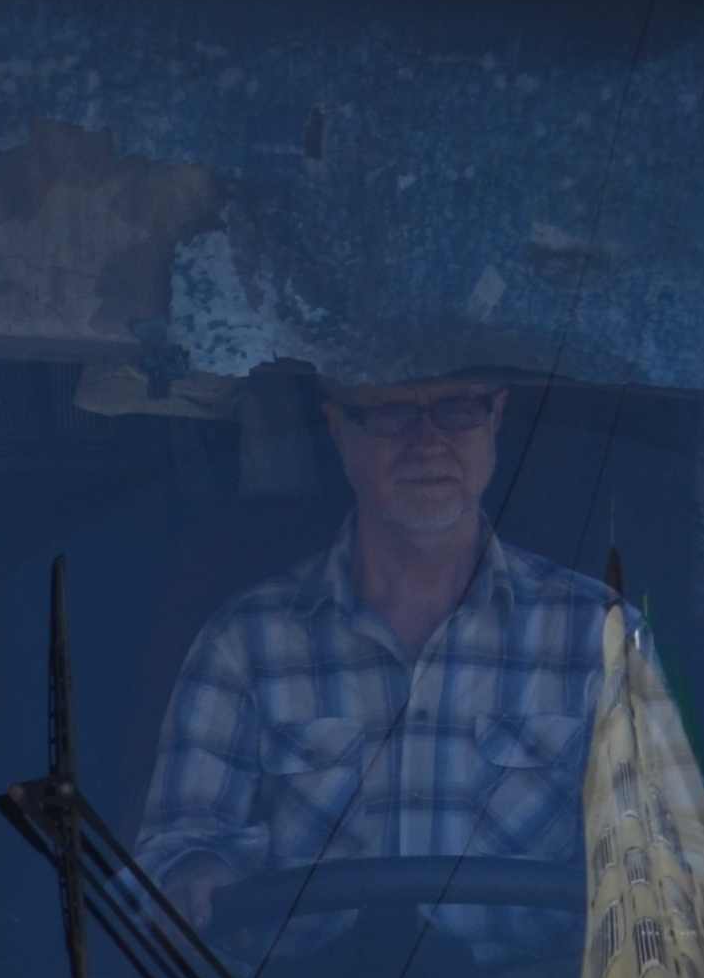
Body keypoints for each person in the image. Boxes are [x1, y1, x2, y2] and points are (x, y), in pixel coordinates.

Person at [131, 361, 611, 945]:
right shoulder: (246, 641)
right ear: (338, 429)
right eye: (391, 412)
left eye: (458, 408)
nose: (428, 442)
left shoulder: (598, 637)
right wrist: (193, 875)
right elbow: (180, 844)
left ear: (496, 419)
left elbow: (671, 864)